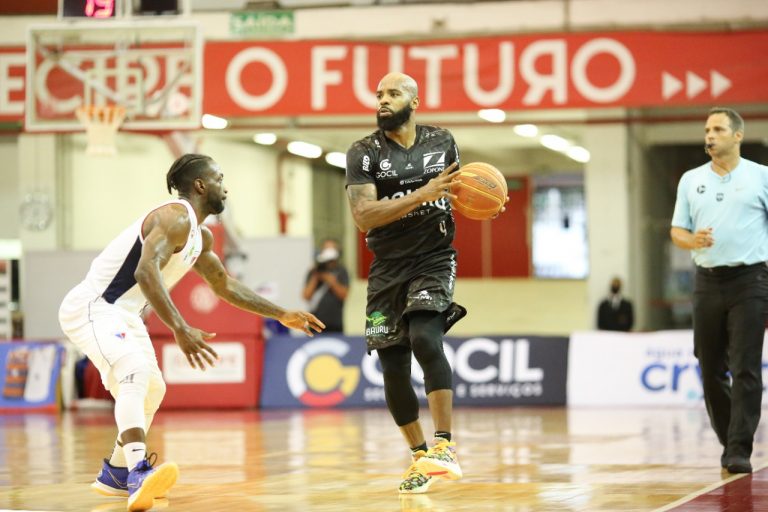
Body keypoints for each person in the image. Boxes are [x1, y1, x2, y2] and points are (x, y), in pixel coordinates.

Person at [58, 154, 325, 511]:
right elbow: (144, 272)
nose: (225, 187)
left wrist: (281, 314)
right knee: (134, 373)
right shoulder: (175, 216)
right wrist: (180, 328)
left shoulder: (201, 236)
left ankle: (116, 474)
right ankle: (137, 471)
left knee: (153, 389)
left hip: (125, 314)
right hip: (95, 306)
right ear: (200, 185)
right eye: (219, 178)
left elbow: (224, 285)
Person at [345, 72, 502, 494]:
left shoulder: (442, 140)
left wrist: (486, 203)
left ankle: (445, 447)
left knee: (424, 339)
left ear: (413, 102)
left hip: (433, 257)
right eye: (379, 94)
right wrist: (421, 193)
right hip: (386, 266)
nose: (383, 100)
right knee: (392, 365)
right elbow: (363, 216)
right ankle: (420, 457)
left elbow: (461, 192)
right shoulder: (363, 153)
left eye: (393, 93)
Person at [670, 107, 768, 475]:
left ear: (737, 135)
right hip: (707, 281)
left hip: (751, 280)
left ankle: (739, 449)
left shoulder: (761, 177)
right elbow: (677, 230)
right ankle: (730, 438)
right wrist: (691, 240)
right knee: (709, 366)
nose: (709, 135)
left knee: (745, 366)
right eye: (707, 130)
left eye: (718, 129)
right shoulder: (690, 180)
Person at [302, 238, 349, 333]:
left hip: (335, 324)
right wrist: (316, 276)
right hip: (314, 323)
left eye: (332, 249)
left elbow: (344, 295)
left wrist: (330, 280)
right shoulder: (314, 271)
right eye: (326, 249)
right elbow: (306, 296)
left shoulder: (341, 271)